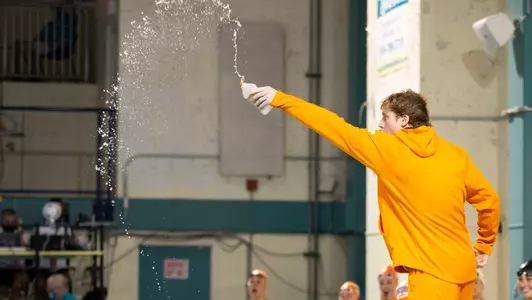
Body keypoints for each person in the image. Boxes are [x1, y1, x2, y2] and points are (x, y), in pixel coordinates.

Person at [246, 86, 500, 299]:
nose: (379, 124)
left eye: (385, 117)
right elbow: (489, 200)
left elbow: (333, 126)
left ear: (404, 121)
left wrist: (279, 99)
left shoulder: (387, 149)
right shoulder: (456, 155)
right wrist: (484, 244)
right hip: (465, 274)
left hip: (430, 276)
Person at [0, 208, 27, 300]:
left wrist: (20, 231)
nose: (10, 224)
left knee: (19, 282)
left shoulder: (19, 234)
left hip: (14, 268)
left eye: (13, 221)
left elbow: (24, 249)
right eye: (7, 221)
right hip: (1, 267)